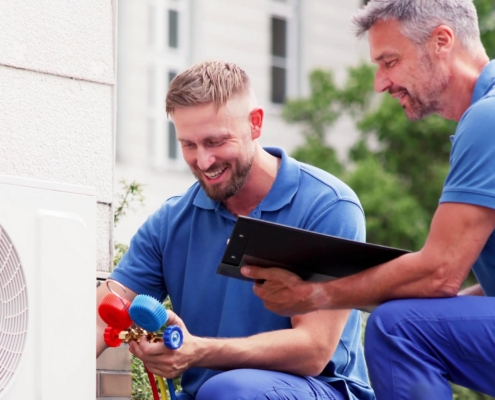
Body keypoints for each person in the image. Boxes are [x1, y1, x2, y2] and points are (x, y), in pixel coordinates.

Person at [241, 0, 495, 398]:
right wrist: (436, 307)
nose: (380, 82)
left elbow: (439, 274)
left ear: (441, 41)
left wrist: (314, 296)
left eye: (389, 61)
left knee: (398, 329)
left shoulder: (488, 119)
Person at [96, 60, 374, 400]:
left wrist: (199, 351)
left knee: (229, 390)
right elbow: (100, 317)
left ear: (255, 123)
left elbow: (312, 350)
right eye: (189, 145)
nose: (203, 160)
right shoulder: (171, 222)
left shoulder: (327, 207)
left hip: (319, 390)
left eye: (215, 141)